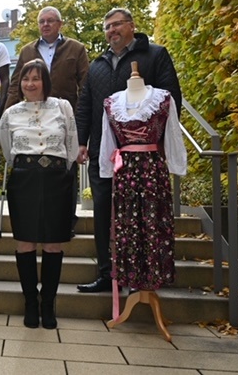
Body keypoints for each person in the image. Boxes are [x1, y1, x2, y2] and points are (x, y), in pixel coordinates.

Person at [76, 8, 182, 293]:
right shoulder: (97, 65)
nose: (112, 30)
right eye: (107, 26)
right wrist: (82, 142)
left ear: (132, 26)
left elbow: (171, 101)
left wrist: (160, 145)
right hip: (103, 153)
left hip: (141, 158)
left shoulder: (155, 55)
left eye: (117, 24)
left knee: (137, 217)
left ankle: (139, 276)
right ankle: (106, 273)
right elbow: (85, 104)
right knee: (102, 214)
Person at [0, 59, 78, 329]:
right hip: (24, 180)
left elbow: (71, 144)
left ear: (45, 80)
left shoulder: (63, 107)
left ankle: (48, 304)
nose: (30, 83)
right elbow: (8, 151)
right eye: (25, 79)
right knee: (26, 243)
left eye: (35, 78)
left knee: (53, 244)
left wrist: (63, 174)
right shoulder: (10, 114)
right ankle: (30, 303)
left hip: (57, 179)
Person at [99, 67, 186, 302]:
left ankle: (152, 281)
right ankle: (133, 280)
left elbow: (172, 134)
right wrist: (106, 170)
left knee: (153, 223)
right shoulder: (111, 103)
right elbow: (107, 140)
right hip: (125, 172)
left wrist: (177, 165)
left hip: (153, 171)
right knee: (127, 226)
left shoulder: (163, 99)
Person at [2, 6, 89, 236]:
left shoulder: (76, 48)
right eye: (42, 21)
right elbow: (14, 84)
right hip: (30, 114)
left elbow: (85, 85)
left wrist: (80, 122)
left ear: (60, 24)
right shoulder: (27, 50)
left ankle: (66, 221)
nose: (46, 25)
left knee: (66, 168)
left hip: (63, 115)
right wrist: (9, 112)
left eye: (51, 21)